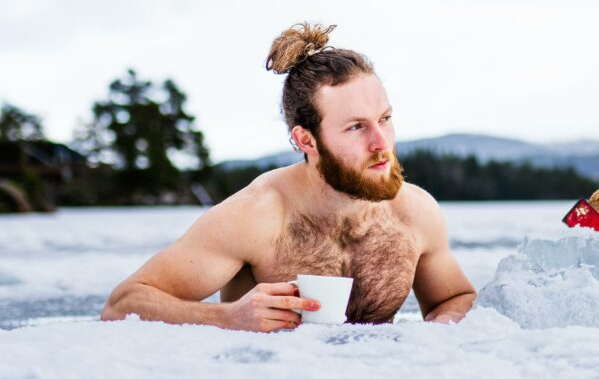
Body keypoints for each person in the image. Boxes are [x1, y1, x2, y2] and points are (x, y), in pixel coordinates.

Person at [101, 24, 477, 330]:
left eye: (385, 119)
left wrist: (435, 339)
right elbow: (123, 304)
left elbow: (454, 299)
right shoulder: (257, 216)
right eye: (356, 127)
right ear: (306, 140)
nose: (382, 143)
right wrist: (227, 318)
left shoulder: (415, 212)